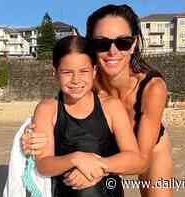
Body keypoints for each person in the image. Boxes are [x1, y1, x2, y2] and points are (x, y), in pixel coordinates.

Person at [21, 4, 173, 197]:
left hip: (148, 149)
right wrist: (31, 139)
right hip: (100, 144)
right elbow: (58, 117)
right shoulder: (85, 79)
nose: (112, 51)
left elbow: (141, 161)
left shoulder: (152, 87)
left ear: (133, 44)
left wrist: (98, 166)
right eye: (102, 43)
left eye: (123, 42)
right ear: (92, 46)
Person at [32, 35, 145, 197]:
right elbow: (43, 164)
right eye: (67, 72)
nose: (76, 80)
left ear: (94, 71)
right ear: (55, 73)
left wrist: (97, 167)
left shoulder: (111, 107)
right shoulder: (47, 109)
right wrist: (76, 159)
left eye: (83, 71)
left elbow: (134, 158)